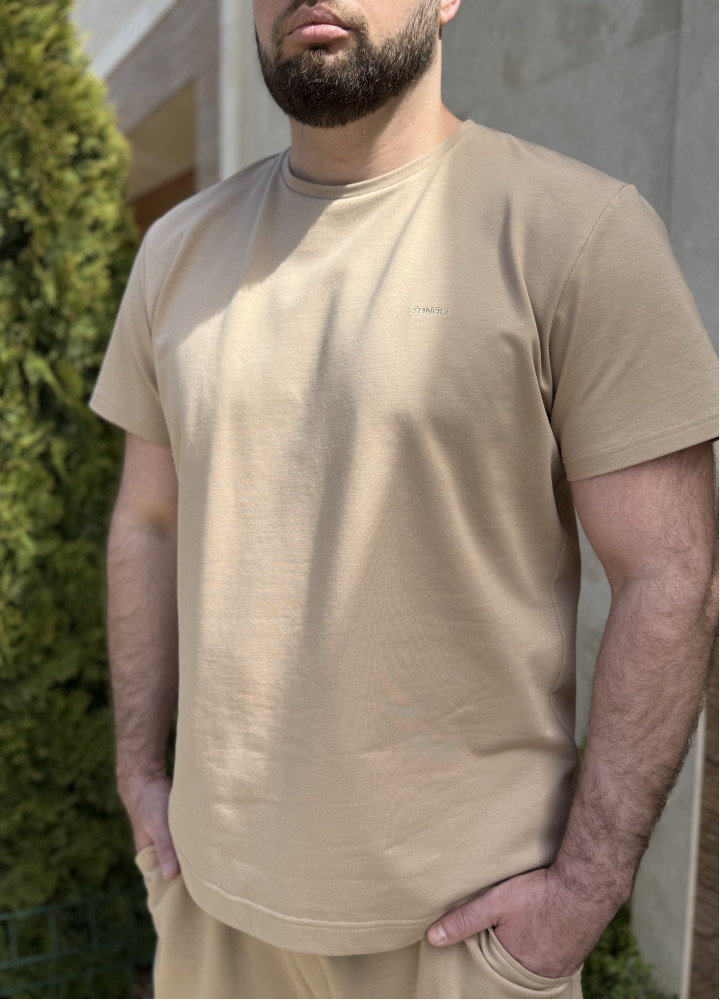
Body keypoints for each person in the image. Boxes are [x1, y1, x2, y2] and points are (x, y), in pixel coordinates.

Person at [88, 1, 719, 997]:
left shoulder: (577, 233)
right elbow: (146, 523)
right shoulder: (175, 251)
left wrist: (585, 888)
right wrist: (139, 776)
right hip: (213, 917)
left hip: (460, 941)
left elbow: (671, 573)